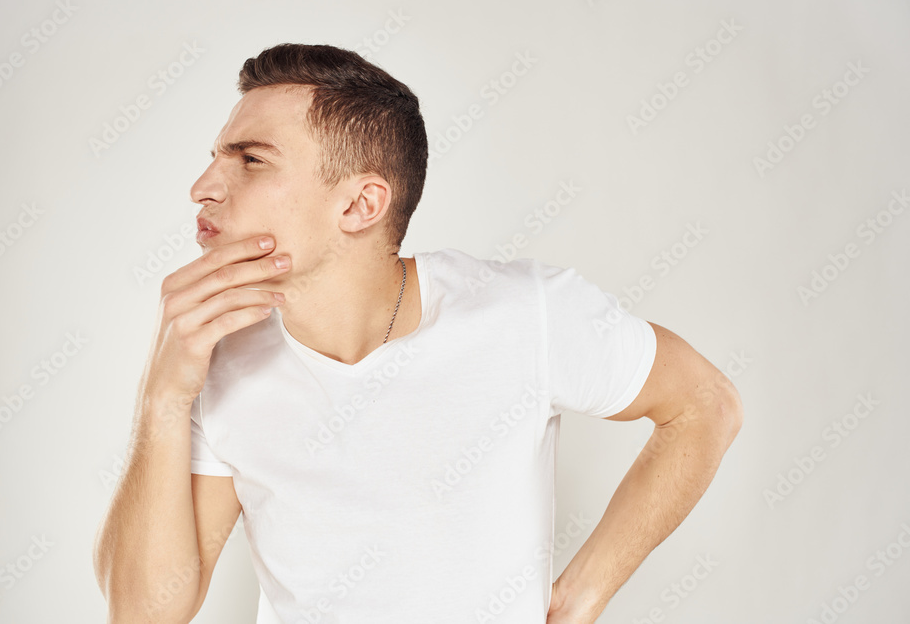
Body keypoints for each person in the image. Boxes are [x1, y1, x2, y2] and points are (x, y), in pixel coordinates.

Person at [92, 43, 744, 624]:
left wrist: (584, 593)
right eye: (215, 158)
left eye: (252, 160)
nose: (202, 188)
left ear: (360, 205)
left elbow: (704, 404)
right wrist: (162, 397)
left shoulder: (526, 313)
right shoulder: (220, 360)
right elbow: (143, 614)